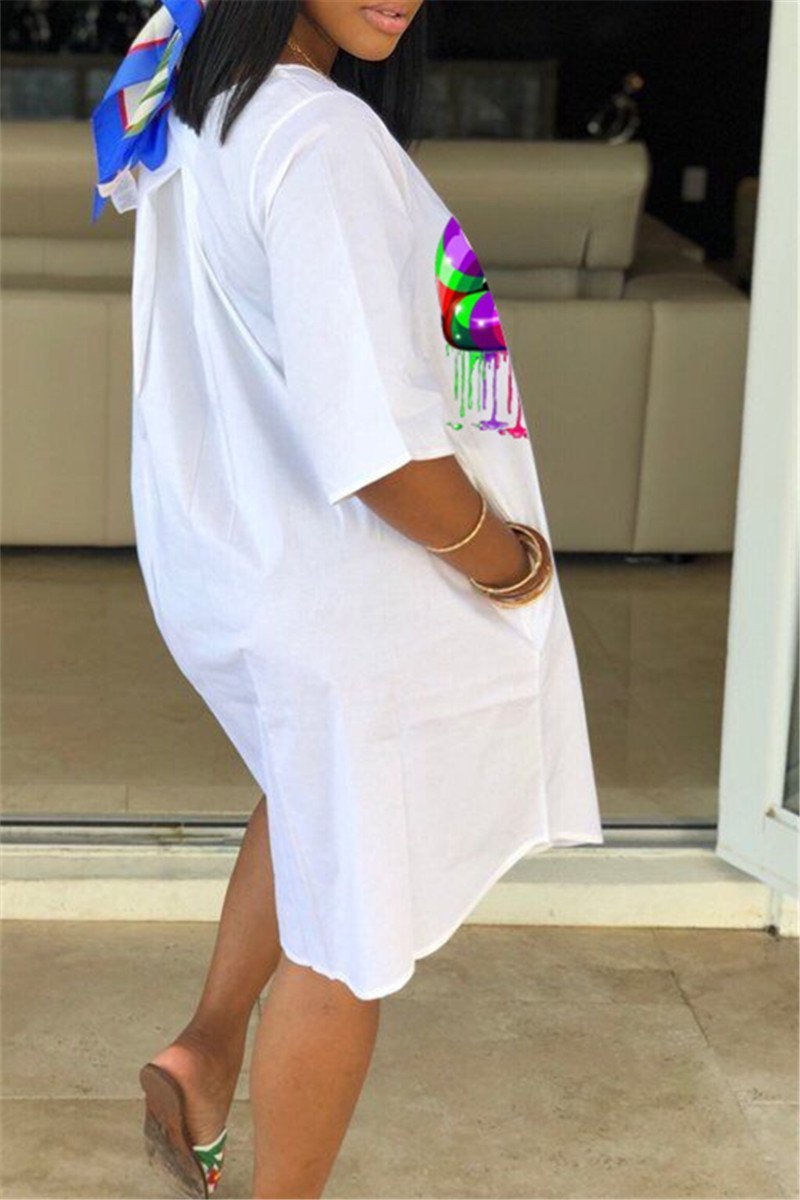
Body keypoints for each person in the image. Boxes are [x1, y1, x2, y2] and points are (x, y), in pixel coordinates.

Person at [90, 1, 604, 1195]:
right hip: (348, 586)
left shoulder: (197, 100)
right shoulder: (315, 135)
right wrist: (507, 562)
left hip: (249, 562)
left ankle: (204, 1048)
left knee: (316, 800)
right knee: (347, 938)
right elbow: (377, 450)